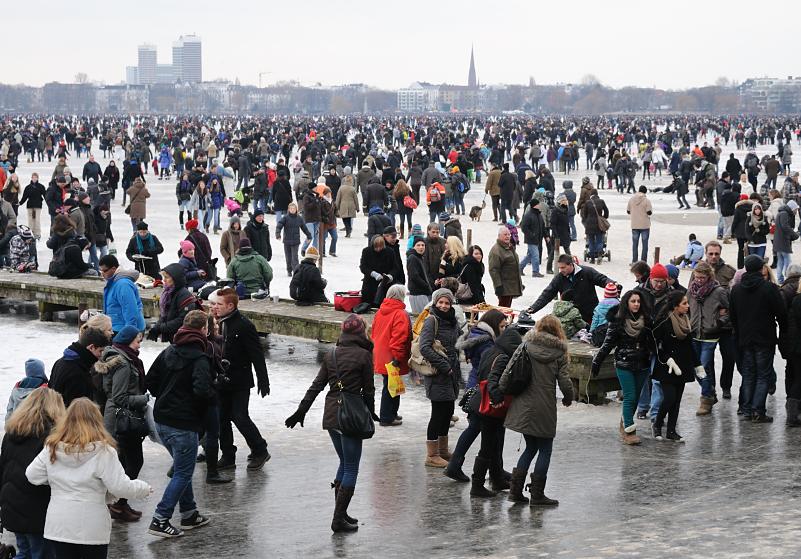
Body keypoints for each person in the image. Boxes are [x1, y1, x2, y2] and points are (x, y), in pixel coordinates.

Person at [25, 398, 151, 557]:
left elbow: (32, 475)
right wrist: (143, 488)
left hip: (59, 524)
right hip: (92, 527)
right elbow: (120, 487)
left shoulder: (52, 448)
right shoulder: (104, 452)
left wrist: (56, 480)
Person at [284, 314, 375, 533]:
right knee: (351, 466)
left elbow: (316, 386)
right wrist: (371, 412)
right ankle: (337, 519)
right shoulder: (364, 355)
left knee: (344, 462)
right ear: (362, 331)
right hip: (351, 415)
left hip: (332, 415)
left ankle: (341, 514)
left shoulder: (331, 353)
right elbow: (369, 389)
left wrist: (301, 410)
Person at [145, 310, 213, 538]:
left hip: (162, 420)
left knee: (182, 468)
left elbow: (150, 382)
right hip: (183, 423)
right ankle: (160, 518)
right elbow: (202, 392)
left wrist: (167, 396)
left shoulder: (168, 351)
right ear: (204, 330)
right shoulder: (200, 358)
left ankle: (189, 513)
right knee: (183, 472)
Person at [500, 316, 573, 505]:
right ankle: (537, 494)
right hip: (545, 406)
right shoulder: (560, 352)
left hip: (524, 404)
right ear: (558, 330)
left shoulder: (525, 345)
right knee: (545, 449)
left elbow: (509, 370)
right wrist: (568, 397)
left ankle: (515, 491)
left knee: (531, 447)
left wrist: (501, 390)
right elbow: (564, 381)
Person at [0, 388, 65, 559]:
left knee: (24, 552)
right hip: (38, 509)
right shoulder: (51, 437)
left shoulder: (11, 433)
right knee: (41, 554)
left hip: (12, 505)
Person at [211, 288, 271, 470]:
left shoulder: (244, 325)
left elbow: (257, 355)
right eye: (214, 304)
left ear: (231, 305)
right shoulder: (218, 322)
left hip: (240, 380)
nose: (215, 307)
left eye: (219, 304)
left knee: (239, 416)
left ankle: (260, 449)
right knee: (222, 418)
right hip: (222, 380)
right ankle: (228, 455)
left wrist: (263, 379)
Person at [446, 309, 508, 484]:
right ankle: (457, 466)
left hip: (476, 386)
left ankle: (494, 469)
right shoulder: (487, 342)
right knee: (479, 428)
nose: (504, 329)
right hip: (481, 389)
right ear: (494, 325)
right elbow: (490, 368)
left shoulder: (478, 335)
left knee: (480, 429)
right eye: (502, 326)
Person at [95, 326, 149, 523]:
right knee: (133, 462)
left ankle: (120, 503)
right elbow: (119, 397)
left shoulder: (117, 357)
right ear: (127, 341)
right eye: (137, 341)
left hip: (116, 417)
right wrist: (144, 399)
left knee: (126, 462)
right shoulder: (123, 363)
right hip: (122, 419)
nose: (139, 345)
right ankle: (118, 504)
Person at [591, 290, 653, 445]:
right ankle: (629, 431)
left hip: (642, 363)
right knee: (630, 396)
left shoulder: (647, 321)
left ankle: (625, 422)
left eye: (638, 301)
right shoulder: (618, 321)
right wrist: (596, 362)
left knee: (636, 398)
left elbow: (653, 343)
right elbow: (607, 344)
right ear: (626, 303)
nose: (636, 304)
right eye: (633, 301)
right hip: (624, 364)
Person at [730, 255, 787, 422]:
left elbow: (733, 316)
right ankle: (758, 410)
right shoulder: (769, 288)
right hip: (765, 337)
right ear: (761, 268)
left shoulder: (737, 289)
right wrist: (783, 330)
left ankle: (747, 409)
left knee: (748, 374)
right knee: (763, 374)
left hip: (745, 338)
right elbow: (781, 312)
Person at [651, 291, 705, 442]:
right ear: (675, 306)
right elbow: (656, 346)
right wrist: (667, 359)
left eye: (687, 303)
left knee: (676, 401)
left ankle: (671, 430)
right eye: (684, 303)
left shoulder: (685, 321)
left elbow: (690, 346)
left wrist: (698, 365)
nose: (688, 306)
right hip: (667, 366)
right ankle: (658, 423)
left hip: (683, 365)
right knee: (669, 398)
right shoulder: (664, 321)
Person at [420, 288, 461, 468]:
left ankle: (442, 451)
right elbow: (425, 348)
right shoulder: (431, 320)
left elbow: (457, 341)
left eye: (447, 303)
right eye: (441, 302)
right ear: (435, 303)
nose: (444, 306)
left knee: (447, 412)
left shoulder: (453, 321)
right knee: (437, 414)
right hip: (438, 373)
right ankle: (432, 455)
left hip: (451, 373)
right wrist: (445, 366)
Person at [687, 262, 729, 416]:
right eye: (697, 277)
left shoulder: (718, 292)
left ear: (709, 277)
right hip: (694, 333)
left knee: (703, 366)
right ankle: (710, 391)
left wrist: (719, 322)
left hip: (710, 334)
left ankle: (706, 399)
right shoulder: (690, 291)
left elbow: (728, 311)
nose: (699, 280)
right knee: (695, 367)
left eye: (702, 278)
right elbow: (686, 308)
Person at [528, 254, 613, 324]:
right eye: (559, 268)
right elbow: (547, 294)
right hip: (569, 315)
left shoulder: (587, 272)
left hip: (589, 313)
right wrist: (534, 308)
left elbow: (602, 279)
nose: (561, 270)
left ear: (571, 265)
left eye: (563, 267)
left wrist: (612, 284)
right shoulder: (559, 278)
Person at [371, 285, 412, 426]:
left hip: (380, 353)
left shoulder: (380, 312)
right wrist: (398, 357)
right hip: (392, 356)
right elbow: (399, 338)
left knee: (391, 384)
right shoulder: (400, 313)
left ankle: (391, 413)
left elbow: (374, 333)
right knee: (390, 386)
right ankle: (386, 417)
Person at [50, 327, 109, 408]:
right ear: (91, 347)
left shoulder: (60, 362)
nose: (102, 355)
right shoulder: (77, 372)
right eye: (101, 351)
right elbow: (76, 409)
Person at [146, 263, 198, 343]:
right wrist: (157, 327)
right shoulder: (169, 292)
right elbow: (165, 315)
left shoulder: (184, 295)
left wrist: (161, 327)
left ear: (176, 278)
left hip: (183, 338)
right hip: (174, 336)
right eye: (163, 277)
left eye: (167, 277)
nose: (164, 280)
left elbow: (184, 319)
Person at [98, 255, 145, 334]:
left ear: (113, 269)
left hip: (124, 329)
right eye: (100, 271)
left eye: (104, 271)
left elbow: (130, 309)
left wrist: (129, 332)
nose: (102, 274)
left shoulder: (123, 284)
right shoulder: (113, 282)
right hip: (117, 327)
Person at [488, 226, 522, 308]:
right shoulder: (496, 250)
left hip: (511, 285)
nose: (507, 236)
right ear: (499, 236)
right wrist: (498, 285)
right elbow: (493, 269)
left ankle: (505, 320)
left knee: (507, 307)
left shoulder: (508, 247)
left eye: (509, 234)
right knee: (503, 308)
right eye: (505, 234)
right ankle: (500, 320)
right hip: (504, 286)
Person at [359, 235, 395, 309]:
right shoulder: (366, 251)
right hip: (369, 285)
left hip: (384, 285)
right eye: (376, 247)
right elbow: (363, 267)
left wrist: (390, 276)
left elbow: (395, 268)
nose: (378, 249)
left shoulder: (390, 252)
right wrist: (373, 274)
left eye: (380, 247)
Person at [519, 198, 547, 277]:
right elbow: (524, 227)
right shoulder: (528, 215)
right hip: (531, 239)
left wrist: (546, 236)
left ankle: (520, 267)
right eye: (538, 204)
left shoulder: (539, 215)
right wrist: (532, 235)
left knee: (530, 255)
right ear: (535, 205)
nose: (540, 205)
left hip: (538, 239)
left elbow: (543, 226)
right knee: (535, 256)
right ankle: (535, 271)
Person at [774, 200, 799, 283]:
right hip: (783, 241)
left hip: (779, 241)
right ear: (791, 208)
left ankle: (780, 279)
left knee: (781, 261)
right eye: (795, 209)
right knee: (787, 262)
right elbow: (785, 227)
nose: (796, 211)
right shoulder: (784, 213)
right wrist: (795, 235)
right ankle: (786, 278)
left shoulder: (782, 213)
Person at [627, 186, 652, 264]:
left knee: (635, 244)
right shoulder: (647, 200)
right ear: (645, 192)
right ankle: (643, 261)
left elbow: (628, 211)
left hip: (634, 224)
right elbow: (649, 212)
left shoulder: (631, 199)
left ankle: (634, 261)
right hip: (645, 225)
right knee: (645, 245)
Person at [406, 236, 432, 314]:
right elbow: (414, 276)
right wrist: (426, 285)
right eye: (418, 245)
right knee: (422, 317)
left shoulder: (419, 257)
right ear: (414, 247)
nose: (421, 247)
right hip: (418, 293)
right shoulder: (412, 258)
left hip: (422, 292)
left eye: (423, 245)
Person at [19, 173, 46, 239]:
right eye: (33, 177)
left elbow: (45, 195)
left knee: (37, 220)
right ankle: (30, 232)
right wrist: (20, 203)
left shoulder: (41, 186)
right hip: (30, 205)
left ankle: (37, 233)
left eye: (36, 177)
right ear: (31, 178)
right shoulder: (28, 187)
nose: (34, 179)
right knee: (30, 220)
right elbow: (24, 197)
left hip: (38, 205)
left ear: (37, 178)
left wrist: (49, 203)